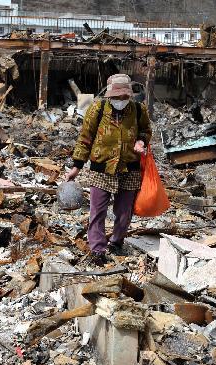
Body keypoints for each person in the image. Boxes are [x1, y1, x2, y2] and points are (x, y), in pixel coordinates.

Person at [65, 74, 152, 266]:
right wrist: (76, 166)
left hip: (129, 168)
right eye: (116, 97)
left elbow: (146, 130)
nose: (120, 101)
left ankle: (116, 242)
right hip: (101, 168)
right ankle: (97, 249)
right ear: (109, 95)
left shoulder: (138, 109)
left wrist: (141, 141)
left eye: (124, 97)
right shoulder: (97, 108)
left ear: (129, 95)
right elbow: (85, 138)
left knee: (124, 211)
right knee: (98, 210)